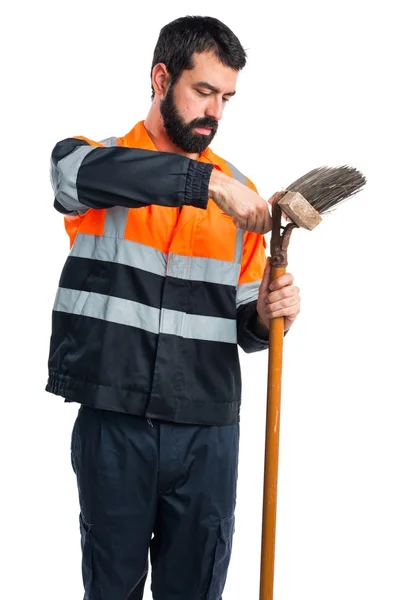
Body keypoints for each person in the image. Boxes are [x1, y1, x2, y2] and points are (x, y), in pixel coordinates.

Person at [46, 15, 301, 600]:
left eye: (226, 98)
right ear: (161, 78)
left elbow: (247, 325)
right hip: (116, 425)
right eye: (203, 92)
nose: (215, 112)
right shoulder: (94, 163)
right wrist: (202, 184)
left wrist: (266, 311)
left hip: (207, 435)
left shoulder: (240, 194)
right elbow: (68, 181)